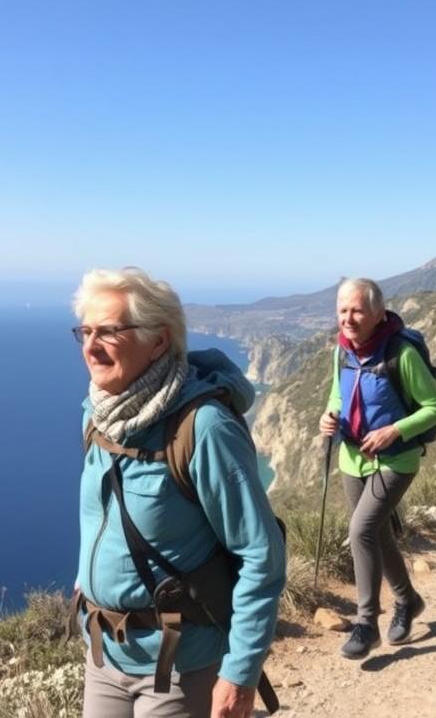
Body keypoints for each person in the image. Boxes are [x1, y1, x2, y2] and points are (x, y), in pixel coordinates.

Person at [71, 267, 286, 718]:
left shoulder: (203, 427)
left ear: (159, 341)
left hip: (181, 664)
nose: (91, 346)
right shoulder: (98, 417)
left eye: (109, 331)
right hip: (104, 654)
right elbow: (103, 519)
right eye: (85, 331)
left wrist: (240, 672)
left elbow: (261, 554)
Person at [318, 278, 436, 660]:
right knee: (378, 533)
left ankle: (367, 623)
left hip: (396, 460)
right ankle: (408, 601)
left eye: (357, 310)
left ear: (378, 313)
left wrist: (395, 430)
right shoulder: (341, 351)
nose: (348, 318)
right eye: (343, 310)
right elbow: (338, 393)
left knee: (361, 531)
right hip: (352, 457)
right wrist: (330, 415)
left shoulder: (400, 353)